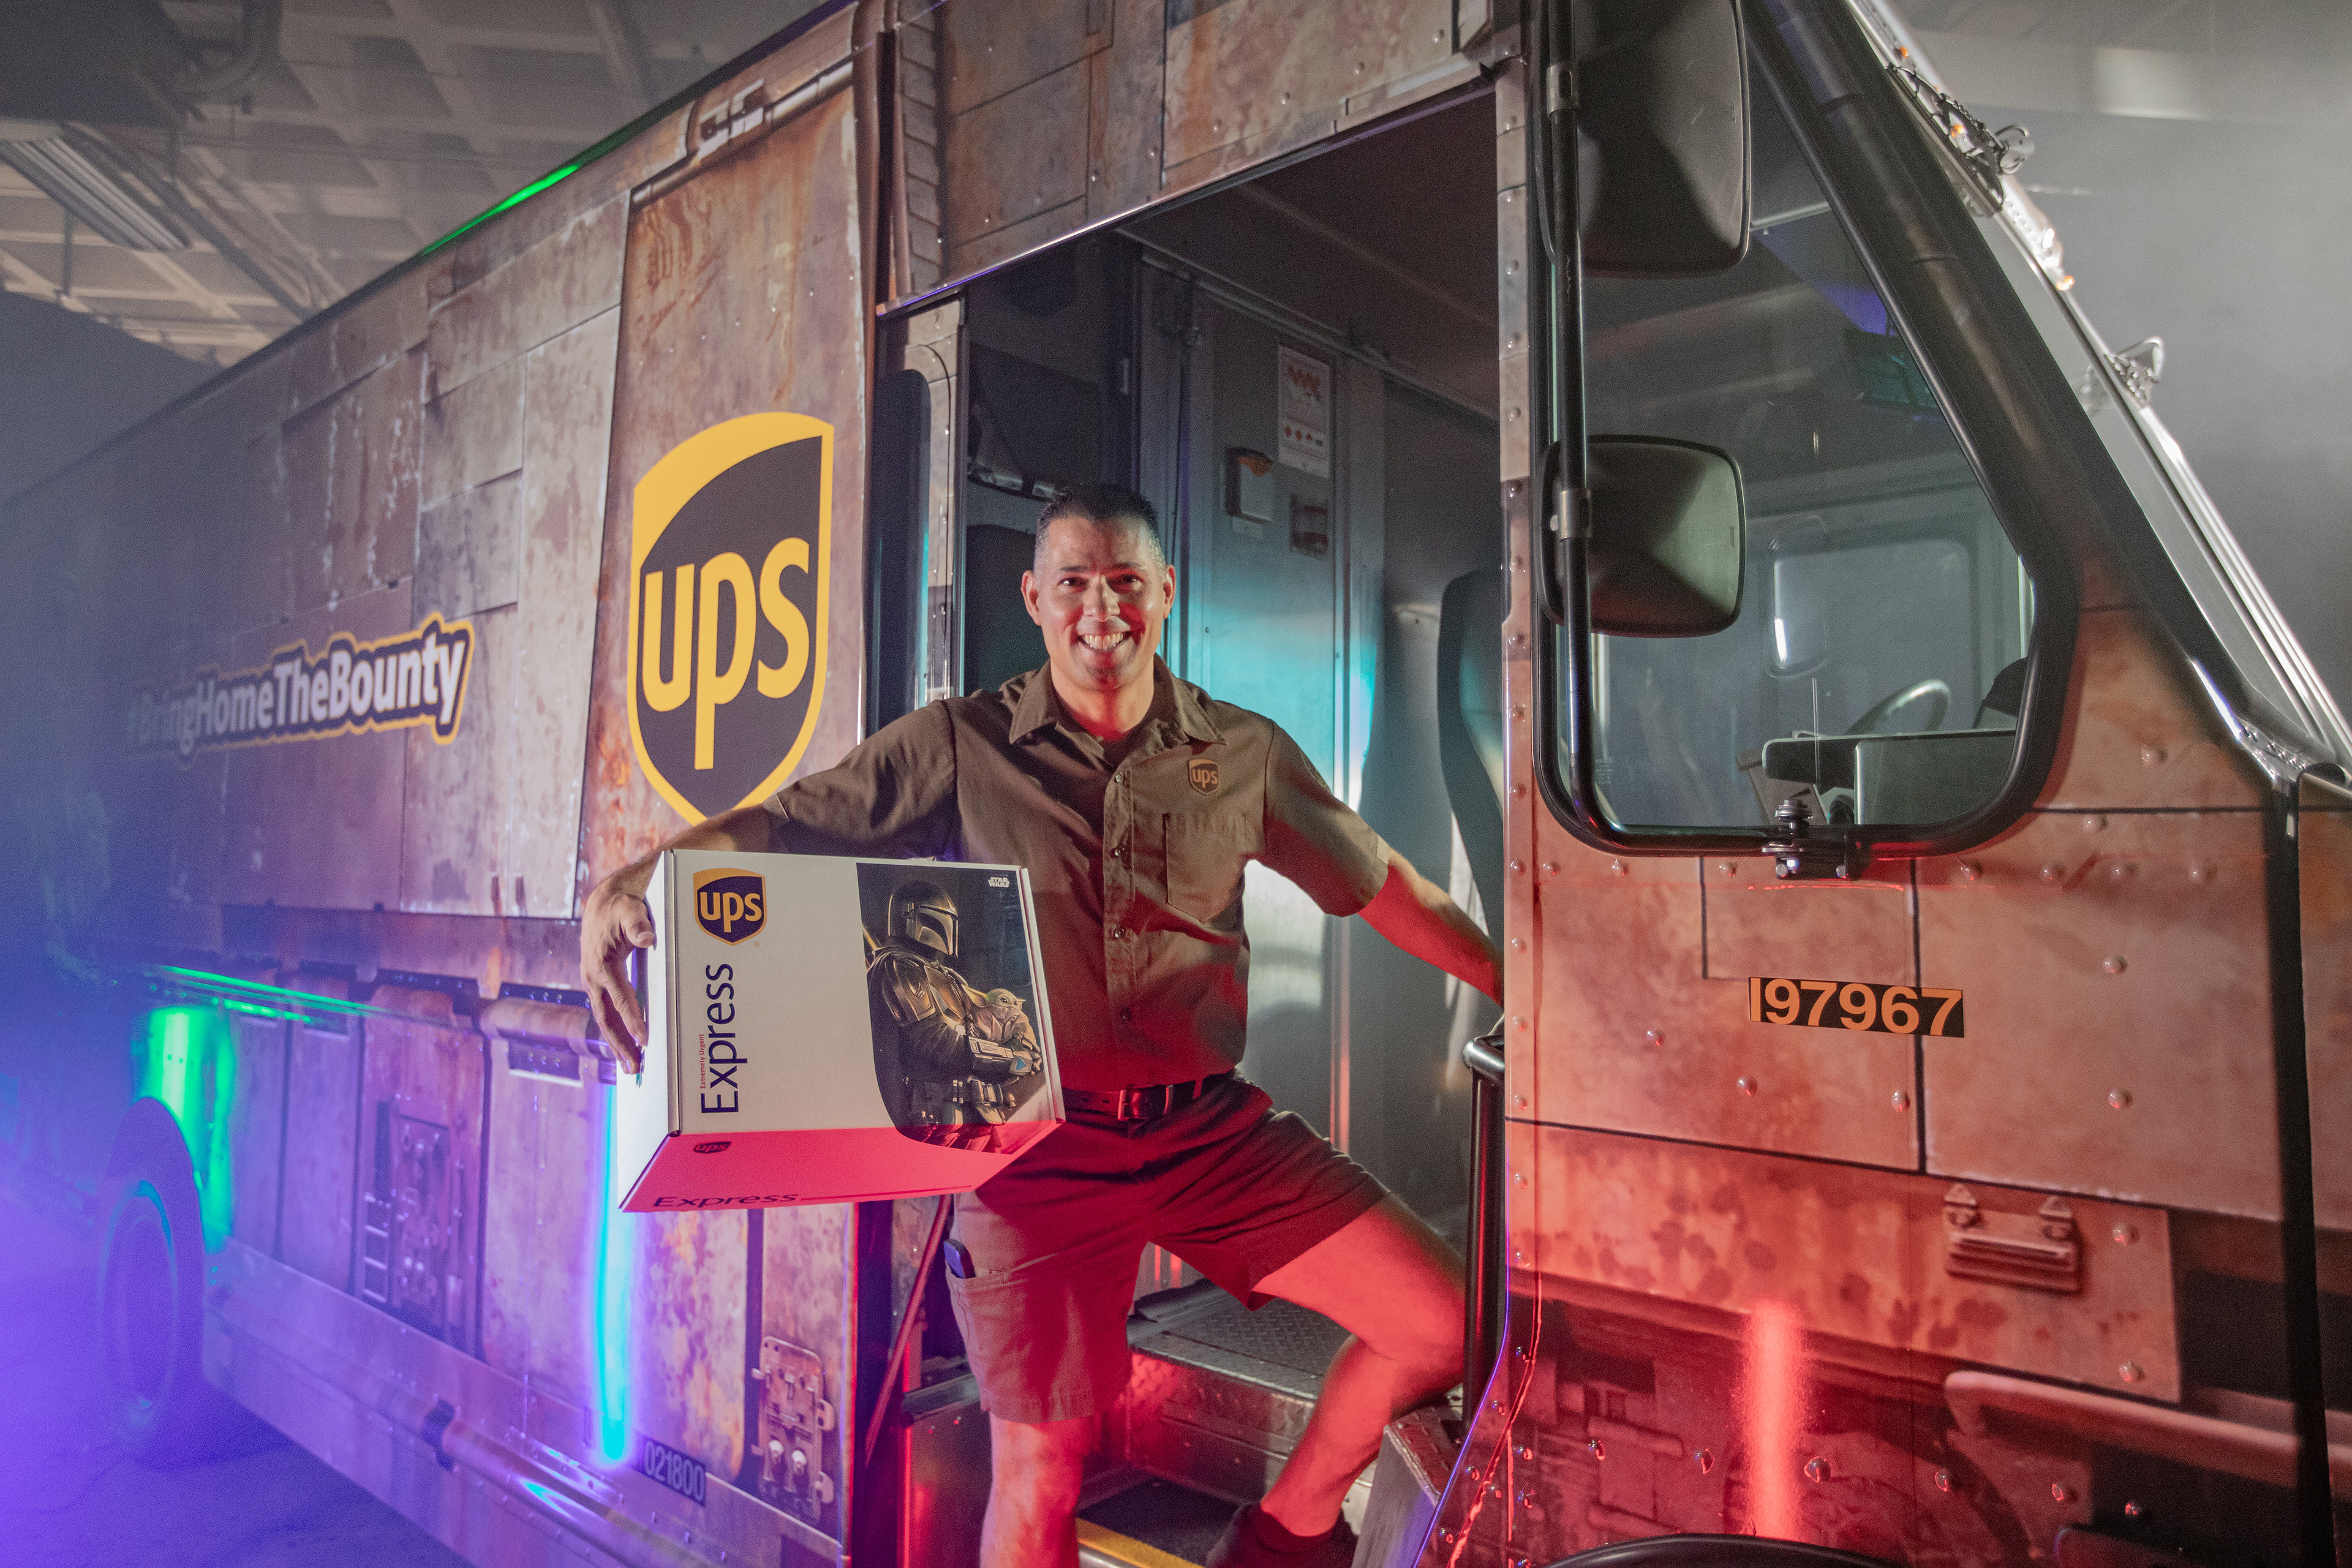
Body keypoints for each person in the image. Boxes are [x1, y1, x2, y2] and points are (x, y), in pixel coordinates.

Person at [582, 482, 1501, 1568]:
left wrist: (1518, 987)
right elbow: (788, 824)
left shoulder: (1242, 753)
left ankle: (1281, 1537)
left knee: (1448, 1321)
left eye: (1125, 583)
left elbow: (1380, 880)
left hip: (1210, 1133)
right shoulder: (961, 746)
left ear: (1167, 591)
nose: (1101, 610)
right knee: (1039, 1469)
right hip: (1036, 1154)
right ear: (1034, 598)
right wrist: (638, 879)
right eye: (1074, 584)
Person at [864, 876, 1043, 1148]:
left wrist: (1018, 1053)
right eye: (937, 919)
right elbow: (936, 1041)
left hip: (973, 1114)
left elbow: (975, 1035)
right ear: (911, 917)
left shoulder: (949, 977)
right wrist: (1010, 1059)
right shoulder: (898, 966)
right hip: (929, 1119)